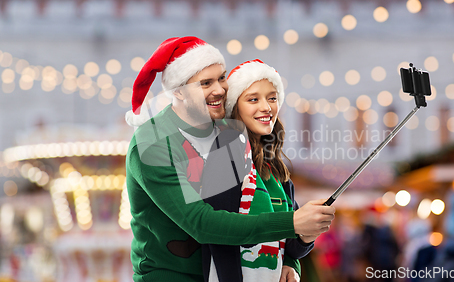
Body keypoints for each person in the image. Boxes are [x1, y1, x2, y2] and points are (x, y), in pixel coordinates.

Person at [125, 36, 336, 281]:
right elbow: (201, 223)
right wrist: (292, 223)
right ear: (179, 92)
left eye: (222, 77)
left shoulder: (228, 132)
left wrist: (289, 260)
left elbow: (274, 195)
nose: (220, 89)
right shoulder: (152, 143)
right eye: (206, 83)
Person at [200, 59, 321, 282]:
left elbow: (289, 246)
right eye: (253, 99)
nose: (266, 107)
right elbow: (218, 232)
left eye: (272, 98)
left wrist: (306, 236)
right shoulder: (223, 153)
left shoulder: (276, 170)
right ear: (235, 107)